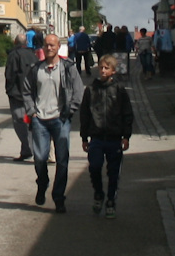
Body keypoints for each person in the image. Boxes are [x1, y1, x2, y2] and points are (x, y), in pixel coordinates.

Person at [26, 33, 84, 213]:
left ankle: (59, 198)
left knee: (62, 160)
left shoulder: (68, 68)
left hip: (61, 119)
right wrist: (32, 112)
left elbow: (78, 90)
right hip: (40, 120)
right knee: (40, 158)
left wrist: (70, 110)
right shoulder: (36, 69)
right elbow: (26, 91)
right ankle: (42, 183)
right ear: (43, 47)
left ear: (59, 46)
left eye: (52, 45)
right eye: (46, 45)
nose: (49, 48)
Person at [81, 55, 135, 218]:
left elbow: (127, 113)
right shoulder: (91, 89)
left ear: (113, 71)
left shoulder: (119, 90)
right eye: (101, 67)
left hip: (114, 137)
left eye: (106, 68)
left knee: (113, 172)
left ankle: (111, 199)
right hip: (96, 137)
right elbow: (84, 114)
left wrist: (126, 136)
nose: (103, 70)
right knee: (95, 167)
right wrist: (84, 137)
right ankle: (98, 193)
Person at [3, 38, 38, 162]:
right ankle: (26, 150)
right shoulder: (33, 54)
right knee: (28, 121)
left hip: (17, 93)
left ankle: (30, 149)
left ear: (15, 42)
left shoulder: (14, 55)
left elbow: (10, 74)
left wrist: (9, 90)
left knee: (20, 122)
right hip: (31, 92)